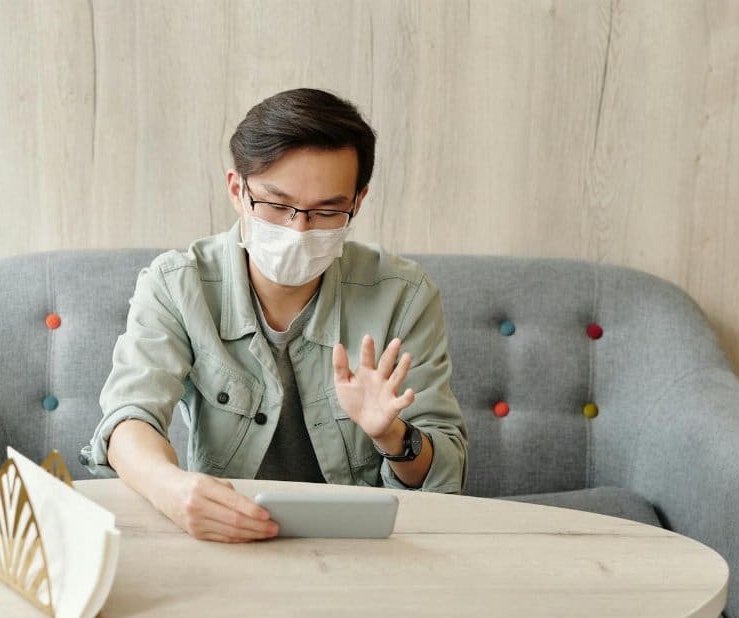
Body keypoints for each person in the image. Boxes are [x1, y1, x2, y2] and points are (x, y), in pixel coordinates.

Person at [79, 88, 468, 543]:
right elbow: (130, 418)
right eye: (277, 205)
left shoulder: (403, 294)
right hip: (227, 536)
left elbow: (447, 476)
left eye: (326, 211)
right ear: (237, 190)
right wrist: (174, 490)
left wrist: (393, 437)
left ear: (357, 203)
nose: (298, 229)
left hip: (357, 547)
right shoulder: (177, 285)